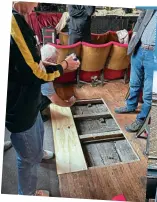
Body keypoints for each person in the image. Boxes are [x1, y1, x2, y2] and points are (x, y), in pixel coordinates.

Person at [6, 2, 80, 196]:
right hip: (21, 109)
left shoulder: (19, 18)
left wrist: (41, 63)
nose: (37, 4)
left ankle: (36, 153)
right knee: (27, 161)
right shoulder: (12, 21)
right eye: (34, 0)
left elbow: (24, 63)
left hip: (30, 103)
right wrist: (63, 65)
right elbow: (36, 74)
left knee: (37, 130)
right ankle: (28, 194)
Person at [115, 9, 157, 132]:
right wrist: (135, 32)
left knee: (149, 93)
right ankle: (131, 105)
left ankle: (142, 119)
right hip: (139, 49)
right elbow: (142, 15)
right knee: (134, 82)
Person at [40, 44, 77, 121]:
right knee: (48, 98)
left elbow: (55, 70)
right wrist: (69, 103)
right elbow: (55, 100)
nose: (57, 62)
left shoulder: (38, 61)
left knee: (49, 93)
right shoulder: (45, 77)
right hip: (27, 105)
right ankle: (38, 114)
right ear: (49, 60)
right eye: (55, 60)